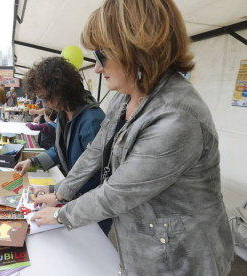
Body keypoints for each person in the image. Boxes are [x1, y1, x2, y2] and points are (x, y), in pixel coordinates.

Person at [30, 1, 234, 275]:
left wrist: (59, 214)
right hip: (143, 245)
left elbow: (117, 193)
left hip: (181, 258)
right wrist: (61, 192)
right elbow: (95, 151)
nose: (98, 69)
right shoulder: (125, 97)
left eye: (101, 55)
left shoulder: (177, 116)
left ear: (135, 50)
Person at [14, 56, 112, 234]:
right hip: (74, 196)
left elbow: (92, 174)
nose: (43, 104)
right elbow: (61, 149)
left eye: (45, 97)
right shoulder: (64, 111)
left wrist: (55, 190)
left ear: (60, 90)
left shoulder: (91, 120)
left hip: (90, 205)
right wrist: (33, 162)